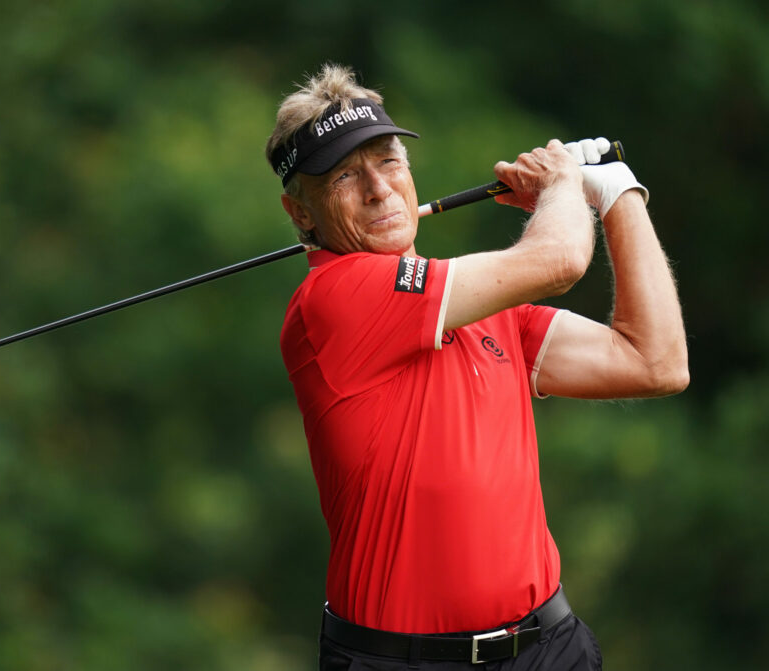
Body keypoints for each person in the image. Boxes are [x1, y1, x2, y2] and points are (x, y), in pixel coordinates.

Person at [266, 63, 688, 670]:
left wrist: (618, 193)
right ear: (301, 212)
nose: (379, 189)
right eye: (342, 177)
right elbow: (561, 258)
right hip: (404, 662)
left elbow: (656, 360)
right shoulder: (334, 298)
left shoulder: (484, 309)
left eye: (388, 162)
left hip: (548, 648)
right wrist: (565, 183)